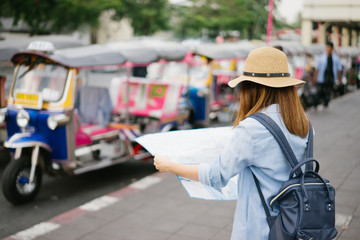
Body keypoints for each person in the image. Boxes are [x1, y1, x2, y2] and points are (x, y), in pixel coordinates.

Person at [154, 47, 310, 239]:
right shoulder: (304, 123)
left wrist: (171, 165)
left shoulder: (253, 128)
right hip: (295, 223)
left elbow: (215, 175)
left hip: (260, 229)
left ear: (252, 87)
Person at [313, 41, 342, 111]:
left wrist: (339, 79)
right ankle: (315, 105)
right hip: (321, 78)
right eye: (327, 47)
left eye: (330, 48)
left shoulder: (336, 58)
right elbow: (317, 69)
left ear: (332, 48)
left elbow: (338, 69)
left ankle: (325, 105)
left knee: (328, 93)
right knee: (319, 92)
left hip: (331, 78)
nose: (328, 49)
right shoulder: (321, 57)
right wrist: (315, 78)